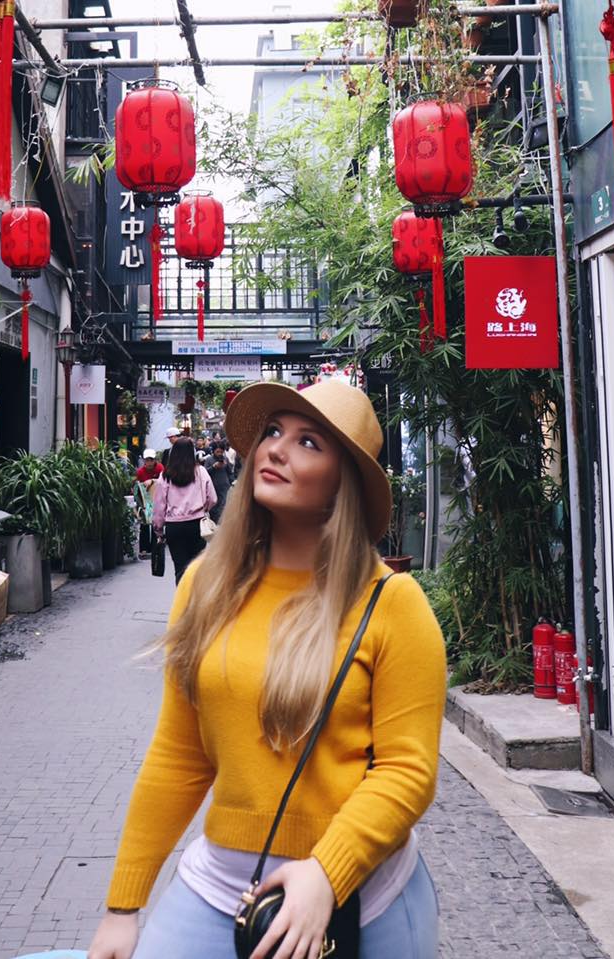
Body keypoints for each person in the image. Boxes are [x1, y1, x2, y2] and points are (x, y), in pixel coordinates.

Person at [89, 379, 447, 959]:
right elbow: (179, 756)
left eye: (309, 442)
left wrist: (327, 873)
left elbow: (407, 771)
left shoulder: (392, 604)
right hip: (219, 884)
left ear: (343, 485)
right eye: (274, 431)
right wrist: (123, 906)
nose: (277, 448)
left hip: (367, 897)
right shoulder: (207, 587)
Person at [151, 437, 217, 585]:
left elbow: (159, 506)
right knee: (196, 568)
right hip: (197, 525)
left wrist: (159, 530)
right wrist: (202, 509)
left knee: (180, 569)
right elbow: (212, 498)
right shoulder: (201, 472)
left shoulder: (166, 475)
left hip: (175, 527)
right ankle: (196, 603)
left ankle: (182, 604)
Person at [135, 451, 164, 557]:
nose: (149, 463)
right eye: (147, 460)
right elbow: (137, 488)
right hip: (145, 502)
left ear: (154, 460)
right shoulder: (140, 472)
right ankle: (144, 548)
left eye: (151, 460)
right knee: (144, 524)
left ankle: (155, 547)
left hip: (158, 500)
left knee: (156, 524)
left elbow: (164, 481)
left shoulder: (160, 468)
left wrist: (152, 480)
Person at [207, 445, 232, 522]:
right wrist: (214, 467)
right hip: (213, 486)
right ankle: (213, 522)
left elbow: (230, 472)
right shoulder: (209, 459)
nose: (219, 453)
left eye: (221, 452)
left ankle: (220, 523)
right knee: (214, 505)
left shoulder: (225, 459)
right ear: (213, 451)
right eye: (217, 452)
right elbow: (205, 472)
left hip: (224, 486)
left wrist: (232, 481)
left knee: (223, 505)